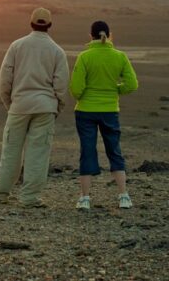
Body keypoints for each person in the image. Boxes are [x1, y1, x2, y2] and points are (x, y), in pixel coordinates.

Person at [0, 7, 69, 208]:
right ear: (49, 25)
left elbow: (4, 80)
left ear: (31, 23)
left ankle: (1, 192)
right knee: (38, 152)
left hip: (19, 105)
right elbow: (61, 84)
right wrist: (57, 106)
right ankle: (29, 197)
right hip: (45, 107)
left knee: (11, 149)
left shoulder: (17, 46)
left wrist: (10, 103)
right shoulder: (57, 51)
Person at [69, 20, 138, 210]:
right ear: (109, 35)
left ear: (90, 35)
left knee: (87, 151)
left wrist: (86, 95)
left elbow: (76, 88)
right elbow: (132, 84)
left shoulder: (84, 57)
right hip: (110, 110)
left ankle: (85, 198)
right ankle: (124, 196)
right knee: (114, 150)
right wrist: (113, 90)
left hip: (85, 111)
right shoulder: (120, 56)